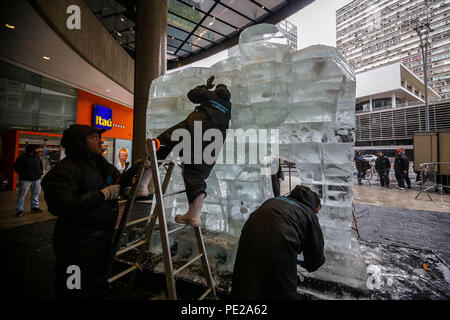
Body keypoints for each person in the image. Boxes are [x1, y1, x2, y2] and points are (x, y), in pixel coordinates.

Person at [41, 124, 129, 300]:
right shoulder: (64, 170)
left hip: (101, 243)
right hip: (76, 246)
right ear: (79, 142)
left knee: (98, 287)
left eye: (99, 137)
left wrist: (136, 176)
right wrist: (101, 195)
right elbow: (61, 204)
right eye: (94, 137)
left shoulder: (99, 164)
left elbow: (120, 179)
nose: (100, 140)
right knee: (73, 291)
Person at [131, 75, 231, 227]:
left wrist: (205, 87)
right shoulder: (227, 108)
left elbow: (192, 95)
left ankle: (142, 186)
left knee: (162, 143)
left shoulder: (210, 95)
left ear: (217, 90)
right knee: (195, 173)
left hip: (193, 129)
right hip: (213, 140)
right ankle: (193, 215)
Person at [231, 185, 325, 300]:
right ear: (315, 206)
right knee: (282, 290)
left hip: (249, 234)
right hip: (280, 240)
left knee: (248, 281)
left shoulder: (276, 199)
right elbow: (315, 251)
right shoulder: (309, 213)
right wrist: (311, 264)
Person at [14, 144, 43, 217]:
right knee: (21, 195)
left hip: (36, 179)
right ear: (32, 150)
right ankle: (20, 210)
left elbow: (40, 165)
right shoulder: (21, 158)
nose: (38, 150)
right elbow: (17, 168)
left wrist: (40, 173)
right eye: (37, 149)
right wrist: (24, 174)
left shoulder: (37, 157)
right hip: (25, 179)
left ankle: (34, 207)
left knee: (36, 194)